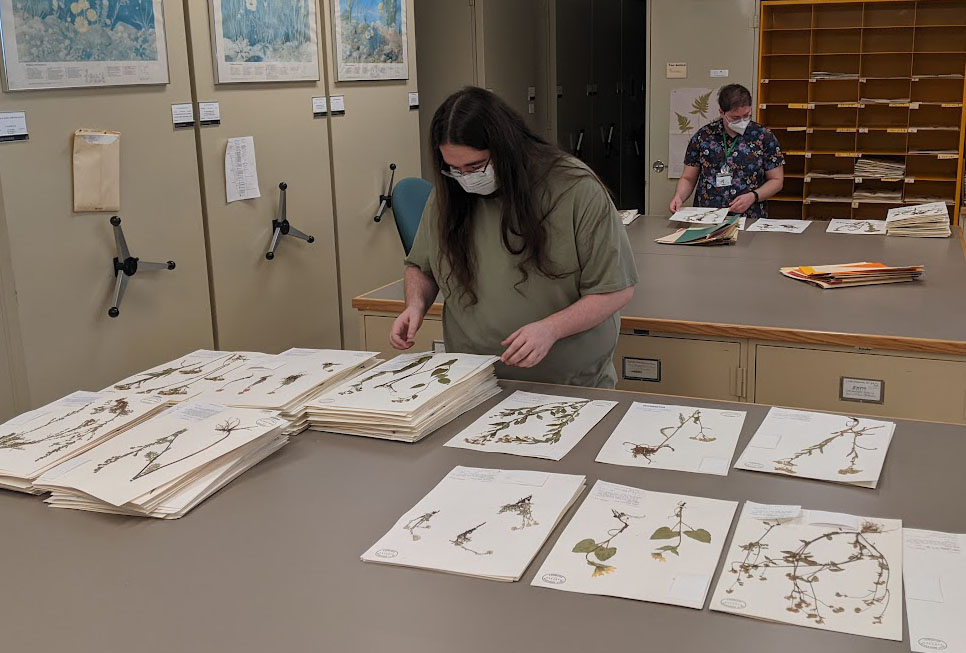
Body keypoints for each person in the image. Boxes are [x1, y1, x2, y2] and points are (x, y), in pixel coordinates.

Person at [390, 87, 637, 388]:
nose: (466, 178)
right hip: (474, 378)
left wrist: (551, 329)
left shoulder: (574, 190)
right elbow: (420, 266)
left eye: (476, 166)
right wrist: (415, 305)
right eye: (454, 169)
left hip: (567, 383)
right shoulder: (451, 195)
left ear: (507, 148)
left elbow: (615, 290)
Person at [670, 84, 784, 218]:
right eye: (735, 118)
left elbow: (776, 180)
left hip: (749, 215)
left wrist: (753, 196)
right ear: (721, 112)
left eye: (746, 115)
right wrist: (679, 196)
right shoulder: (704, 136)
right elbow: (688, 178)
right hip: (708, 215)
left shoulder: (763, 136)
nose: (742, 121)